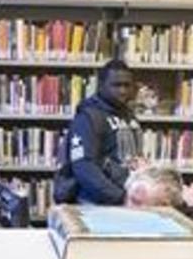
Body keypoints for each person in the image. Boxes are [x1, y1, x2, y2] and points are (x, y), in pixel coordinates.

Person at [54, 58, 143, 205]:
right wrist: (121, 198)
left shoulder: (129, 115)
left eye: (127, 86)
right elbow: (83, 167)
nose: (122, 91)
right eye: (116, 85)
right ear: (101, 85)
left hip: (125, 197)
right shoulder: (87, 118)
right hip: (95, 202)